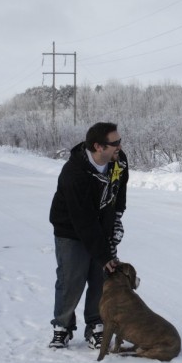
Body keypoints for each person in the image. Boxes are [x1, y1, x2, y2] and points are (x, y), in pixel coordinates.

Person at [47, 122, 129, 349]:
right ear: (98, 147)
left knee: (101, 278)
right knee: (71, 279)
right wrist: (104, 255)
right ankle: (62, 326)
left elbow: (119, 193)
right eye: (115, 143)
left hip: (101, 225)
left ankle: (96, 326)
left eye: (120, 141)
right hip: (70, 229)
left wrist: (117, 220)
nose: (120, 147)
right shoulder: (74, 174)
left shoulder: (119, 161)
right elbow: (83, 222)